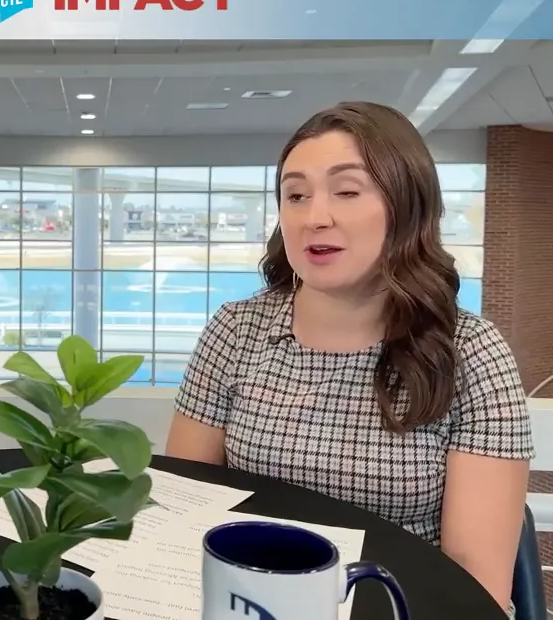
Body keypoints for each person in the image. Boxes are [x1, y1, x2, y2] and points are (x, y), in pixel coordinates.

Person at [165, 101, 533, 613]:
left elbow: (473, 584)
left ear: (407, 206)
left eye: (346, 191)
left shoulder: (471, 353)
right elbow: (182, 508)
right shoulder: (236, 330)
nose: (315, 216)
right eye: (295, 195)